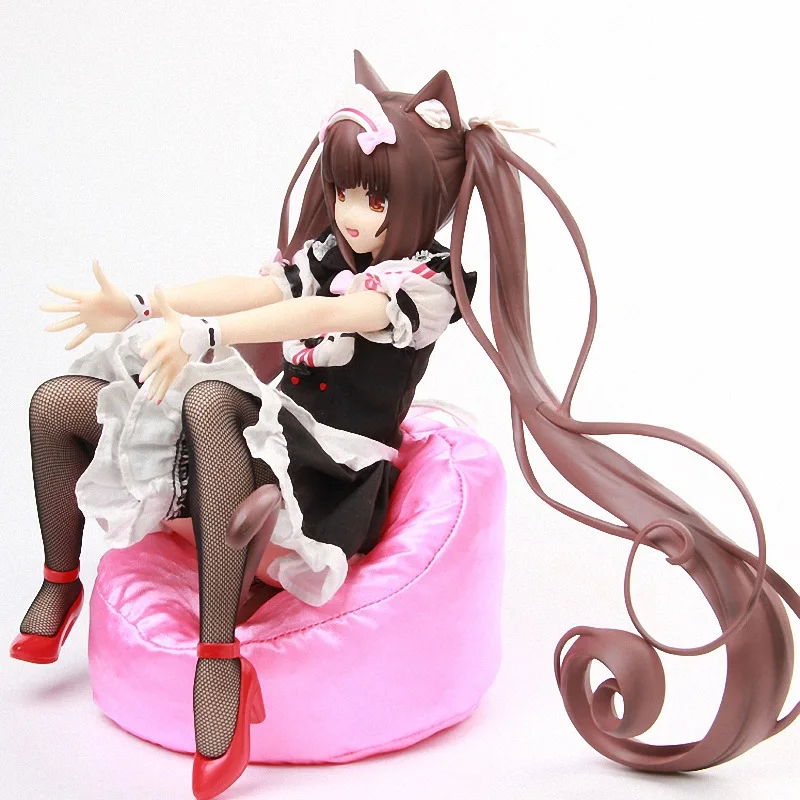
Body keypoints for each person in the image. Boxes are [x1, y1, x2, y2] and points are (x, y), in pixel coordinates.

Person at [11, 51, 800, 799]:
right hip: (268, 444)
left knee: (211, 398)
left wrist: (206, 337)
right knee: (58, 403)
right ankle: (60, 580)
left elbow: (327, 315)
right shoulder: (329, 254)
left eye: (376, 199)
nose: (353, 216)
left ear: (423, 200)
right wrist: (149, 304)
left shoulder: (429, 285)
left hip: (335, 477)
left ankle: (219, 663)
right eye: (344, 193)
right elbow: (258, 288)